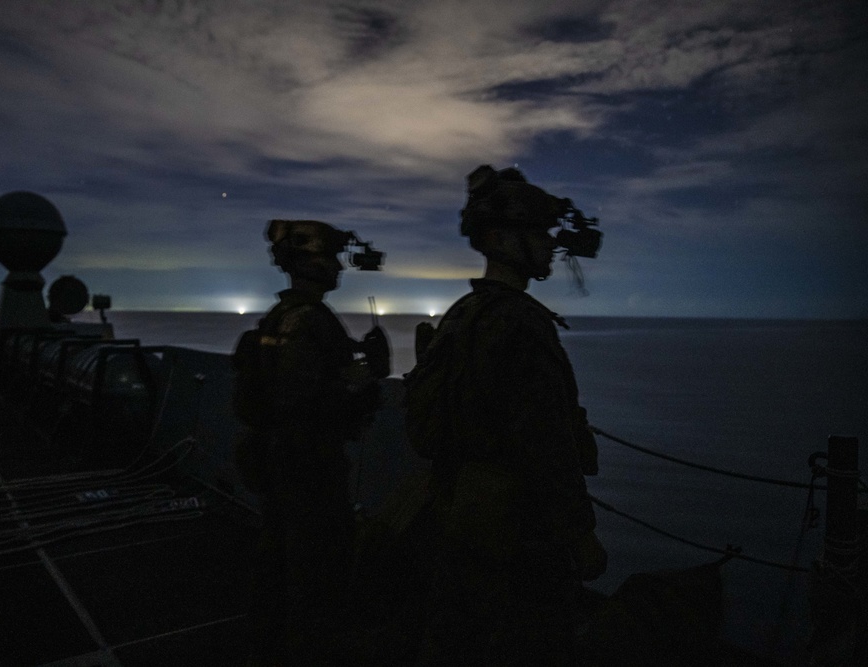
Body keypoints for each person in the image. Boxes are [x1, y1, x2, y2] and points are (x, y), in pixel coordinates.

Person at [407, 165, 607, 665]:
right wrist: (580, 534)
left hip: (462, 512)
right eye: (536, 233)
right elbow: (546, 443)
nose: (549, 245)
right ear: (501, 238)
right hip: (517, 529)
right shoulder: (520, 323)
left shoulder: (461, 315)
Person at [232, 219, 390, 665]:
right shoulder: (312, 320)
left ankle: (267, 643)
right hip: (309, 465)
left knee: (277, 559)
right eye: (331, 258)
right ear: (310, 263)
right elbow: (314, 401)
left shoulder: (278, 317)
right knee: (316, 571)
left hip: (276, 459)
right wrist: (371, 373)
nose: (338, 267)